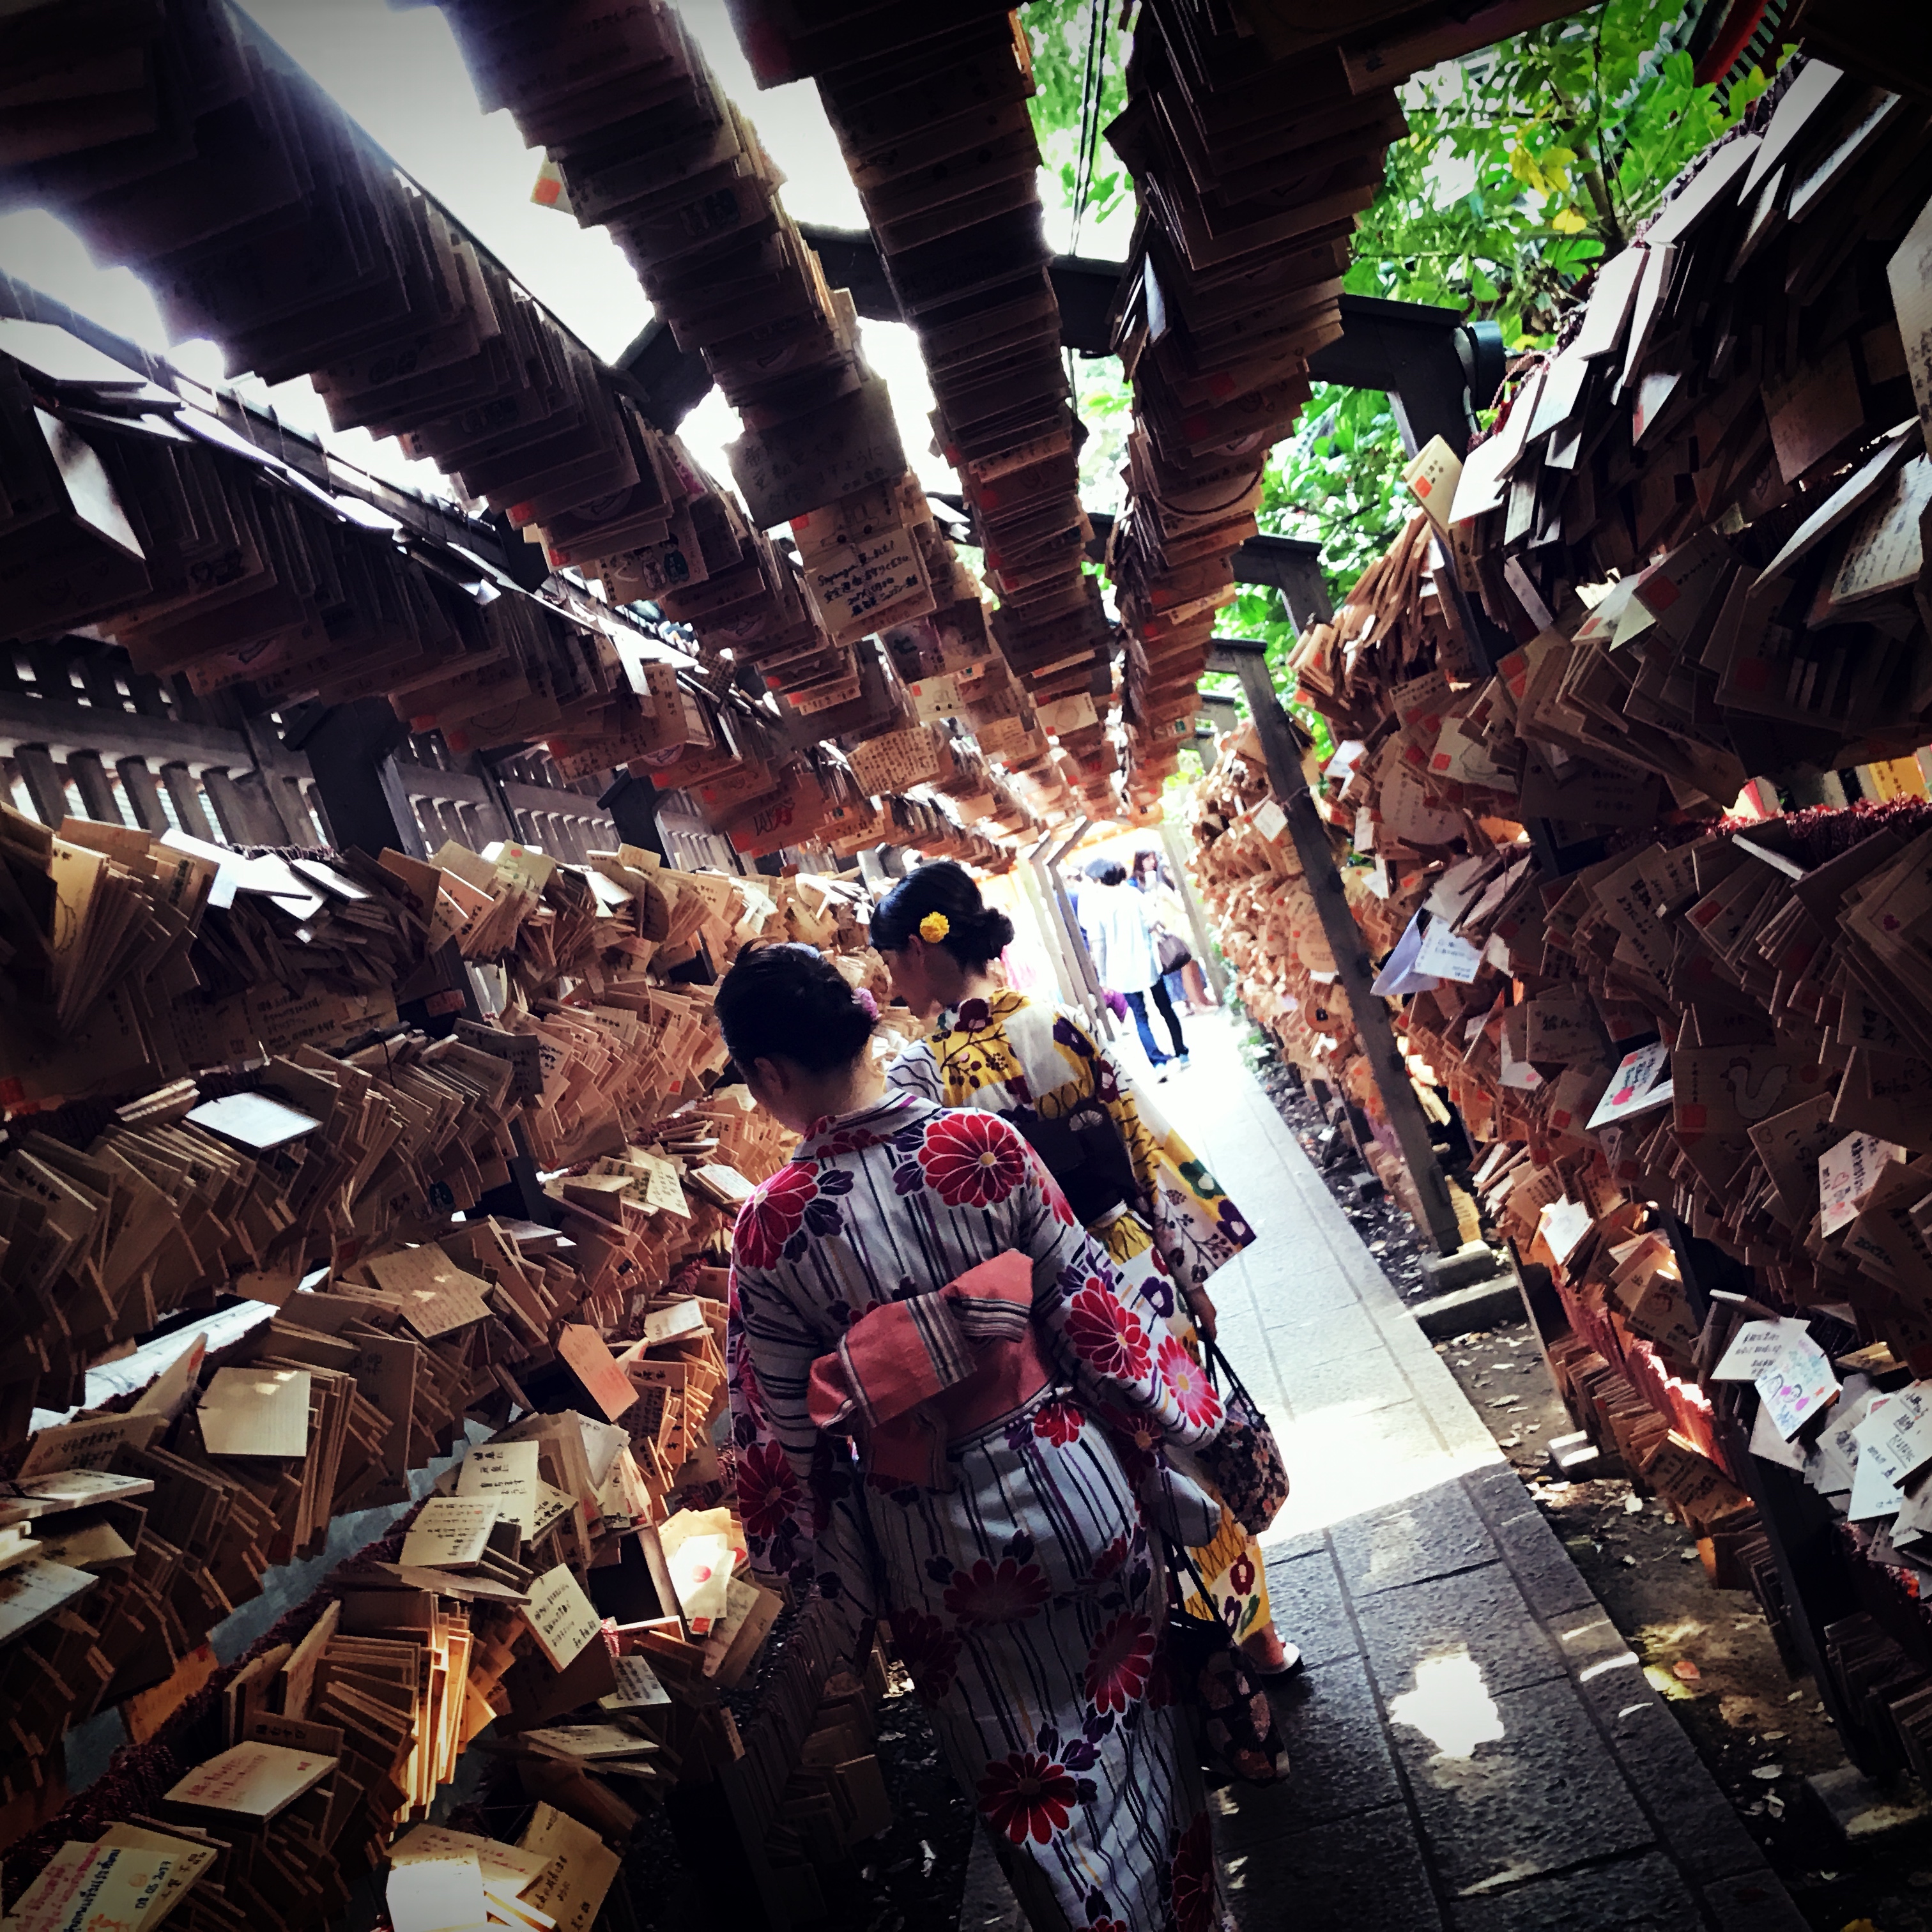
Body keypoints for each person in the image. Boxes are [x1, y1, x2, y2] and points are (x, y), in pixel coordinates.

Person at [718, 943, 1232, 1932]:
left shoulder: (770, 1229)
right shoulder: (982, 1142)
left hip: (940, 1545)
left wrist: (821, 1579)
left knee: (1036, 1796)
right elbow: (1096, 1321)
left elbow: (783, 1441)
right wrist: (1178, 1428)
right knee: (1148, 1752)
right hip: (1076, 1489)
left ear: (771, 1075)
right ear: (864, 1024)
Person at [873, 861, 1298, 1680]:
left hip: (1027, 1299)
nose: (891, 978)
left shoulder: (921, 1078)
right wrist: (1187, 1267)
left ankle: (1167, 1661)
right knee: (1186, 1442)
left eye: (893, 957)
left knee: (1112, 1471)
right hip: (1125, 1261)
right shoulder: (1050, 1022)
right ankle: (1260, 1643)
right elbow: (1139, 1142)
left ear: (926, 952)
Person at [1081, 858, 1187, 1075]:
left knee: (1140, 1016)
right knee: (1165, 1008)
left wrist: (1102, 977)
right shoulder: (1133, 894)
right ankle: (1181, 1052)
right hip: (1148, 961)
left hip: (1122, 969)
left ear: (1100, 879)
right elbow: (1154, 920)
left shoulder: (1098, 905)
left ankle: (1158, 1063)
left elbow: (1098, 945)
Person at [1131, 848, 1215, 1017]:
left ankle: (1201, 1000)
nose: (1152, 862)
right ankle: (1196, 1003)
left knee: (1192, 968)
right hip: (1177, 932)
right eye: (1148, 859)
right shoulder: (1153, 887)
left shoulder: (1158, 885)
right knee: (1187, 969)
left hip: (1177, 931)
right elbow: (1178, 907)